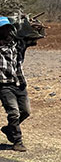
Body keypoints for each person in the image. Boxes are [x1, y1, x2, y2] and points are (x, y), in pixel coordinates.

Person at [0, 16, 41, 152]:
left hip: (20, 84)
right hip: (4, 85)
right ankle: (17, 141)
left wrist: (34, 27)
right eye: (2, 28)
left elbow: (35, 37)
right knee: (14, 113)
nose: (5, 31)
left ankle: (9, 129)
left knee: (26, 112)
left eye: (7, 28)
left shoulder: (18, 44)